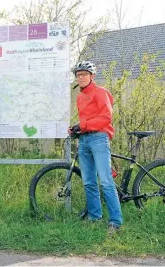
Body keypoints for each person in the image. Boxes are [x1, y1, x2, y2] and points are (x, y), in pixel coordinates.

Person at [68, 60, 123, 234]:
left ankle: (115, 222)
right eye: (78, 75)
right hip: (84, 140)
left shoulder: (101, 92)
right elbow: (87, 121)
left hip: (99, 138)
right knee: (89, 182)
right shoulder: (80, 97)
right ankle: (94, 217)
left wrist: (82, 124)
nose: (81, 77)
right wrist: (76, 129)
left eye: (84, 74)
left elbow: (105, 118)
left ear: (92, 76)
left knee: (106, 181)